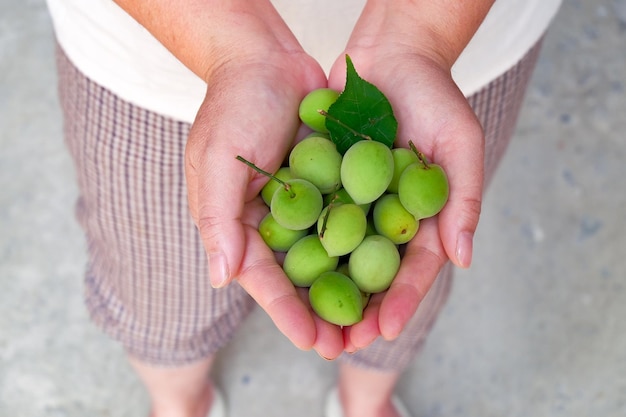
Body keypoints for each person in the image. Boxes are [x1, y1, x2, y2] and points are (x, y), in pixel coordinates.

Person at [45, 0, 561, 416]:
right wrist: (233, 49)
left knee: (404, 294)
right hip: (153, 65)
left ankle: (367, 402)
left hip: (459, 44)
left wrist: (420, 34)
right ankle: (178, 402)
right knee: (159, 291)